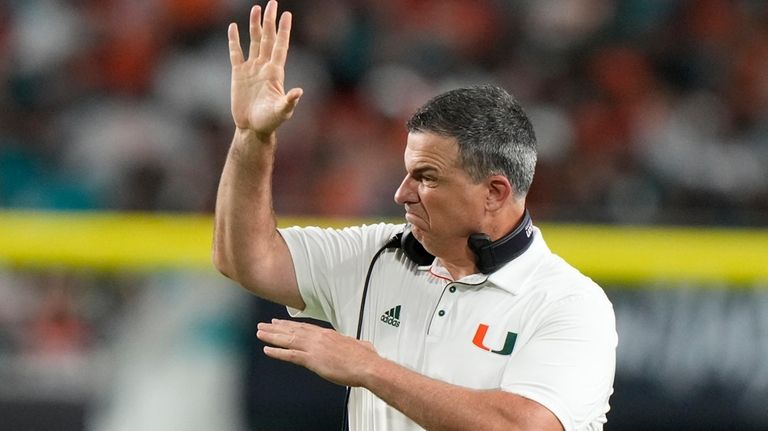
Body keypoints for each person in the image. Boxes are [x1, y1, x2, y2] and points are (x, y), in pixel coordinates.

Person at [213, 2, 617, 430]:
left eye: (426, 177)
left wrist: (372, 368)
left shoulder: (569, 302)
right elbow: (245, 259)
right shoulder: (376, 254)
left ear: (495, 193)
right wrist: (252, 137)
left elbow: (524, 427)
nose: (402, 193)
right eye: (407, 173)